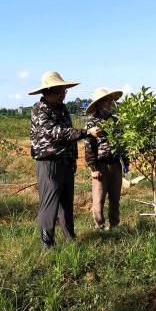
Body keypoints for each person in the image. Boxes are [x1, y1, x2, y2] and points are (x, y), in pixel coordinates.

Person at [28, 71, 102, 248]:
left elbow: (69, 137)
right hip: (49, 162)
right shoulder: (40, 109)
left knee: (66, 203)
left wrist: (73, 159)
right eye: (59, 92)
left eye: (64, 91)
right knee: (49, 204)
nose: (62, 95)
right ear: (47, 92)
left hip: (65, 162)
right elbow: (57, 133)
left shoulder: (62, 109)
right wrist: (86, 132)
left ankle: (70, 238)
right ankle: (47, 244)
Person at [84, 88, 129, 230]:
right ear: (98, 103)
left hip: (115, 164)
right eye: (105, 100)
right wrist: (93, 168)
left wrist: (126, 164)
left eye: (110, 100)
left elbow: (123, 143)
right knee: (99, 199)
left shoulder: (116, 121)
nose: (109, 103)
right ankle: (100, 227)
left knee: (115, 198)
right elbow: (89, 146)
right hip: (100, 165)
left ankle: (114, 226)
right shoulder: (92, 123)